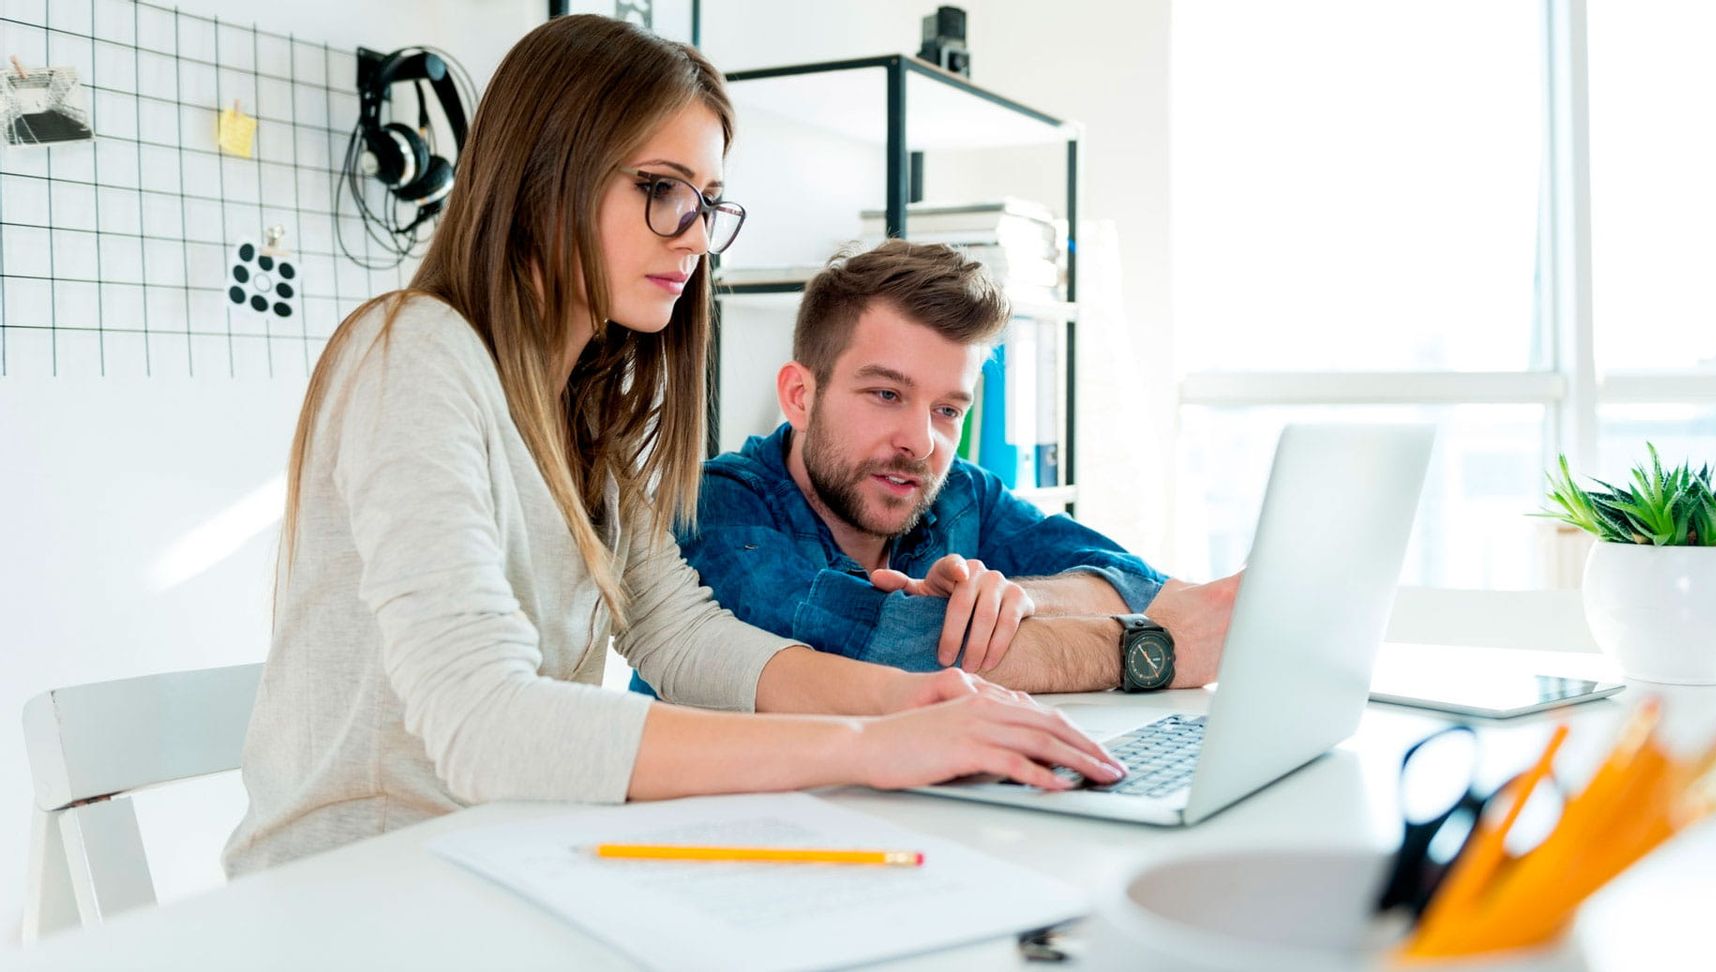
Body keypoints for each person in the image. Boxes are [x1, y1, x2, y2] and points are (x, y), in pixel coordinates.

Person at [224, 16, 1121, 876]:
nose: (695, 236)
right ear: (545, 176)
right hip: (361, 892)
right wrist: (869, 745)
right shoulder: (413, 353)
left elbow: (681, 637)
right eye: (661, 190)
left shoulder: (586, 416)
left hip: (507, 859)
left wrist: (914, 700)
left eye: (708, 203)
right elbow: (485, 722)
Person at [628, 241, 1240, 699]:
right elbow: (883, 652)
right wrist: (1142, 648)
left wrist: (1021, 600)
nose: (921, 443)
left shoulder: (961, 493)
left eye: (947, 409)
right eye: (886, 394)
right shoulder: (715, 506)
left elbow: (1140, 584)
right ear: (800, 396)